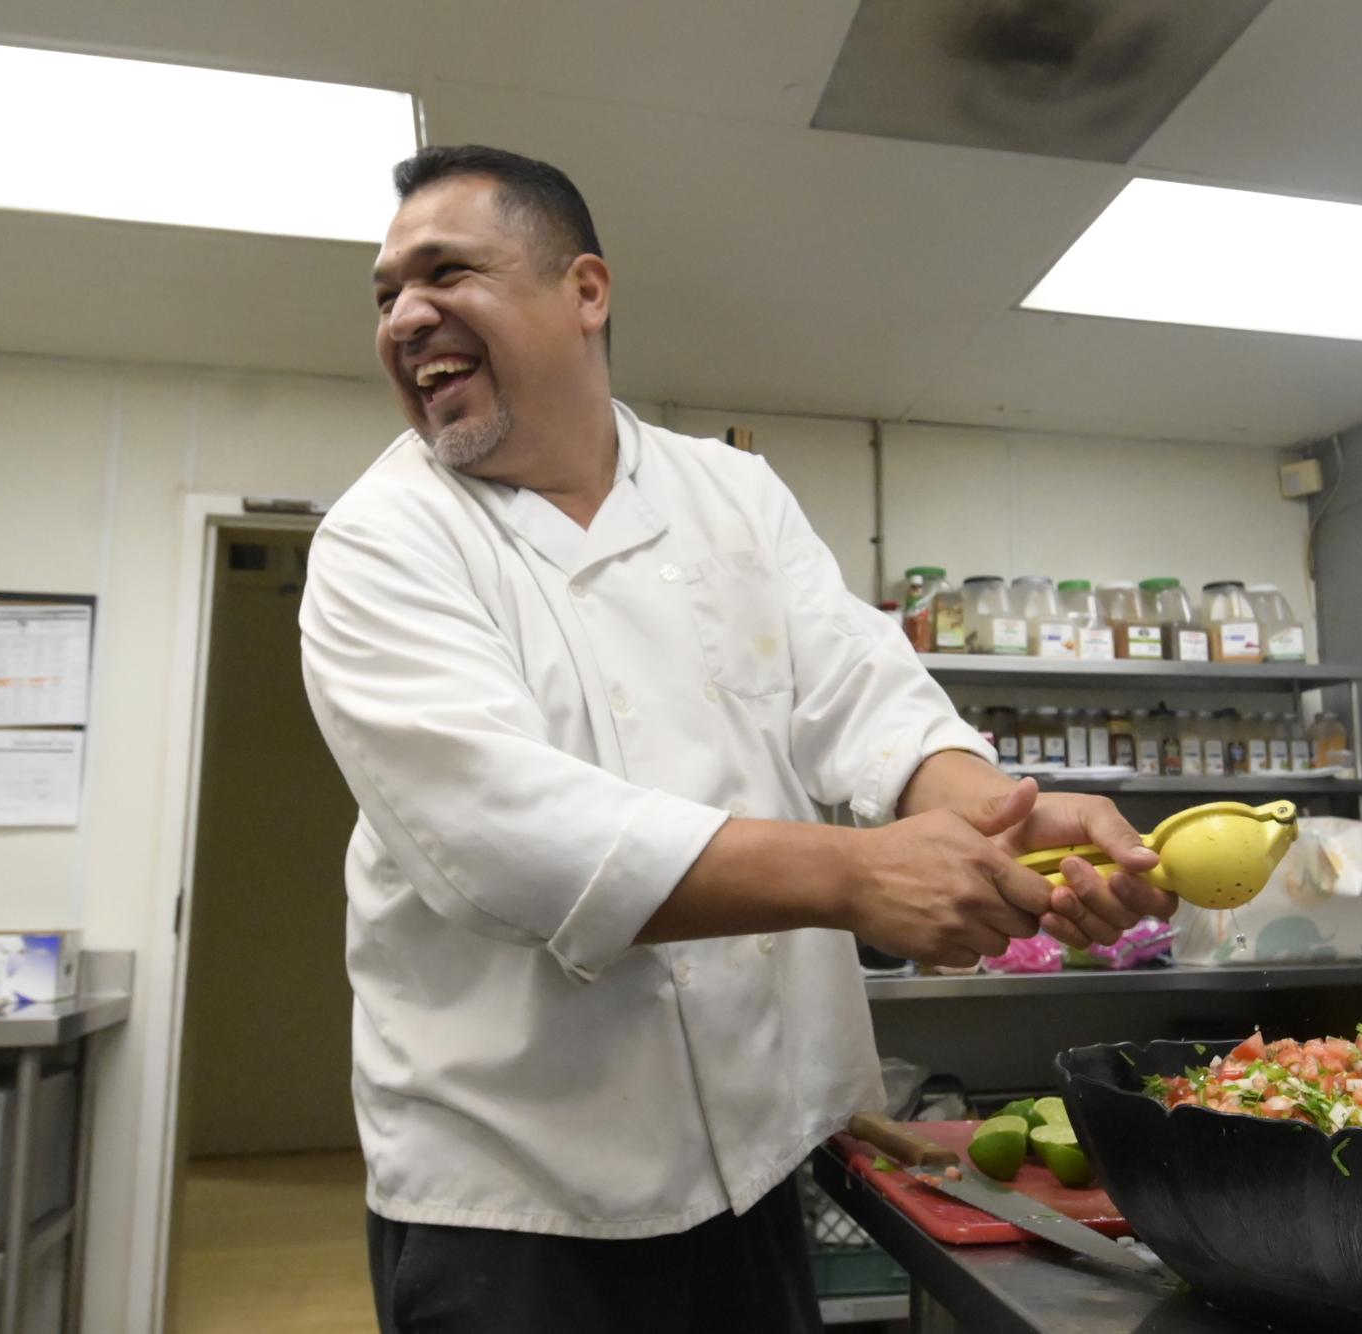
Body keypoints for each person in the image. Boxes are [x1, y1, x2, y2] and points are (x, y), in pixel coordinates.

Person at [299, 144, 1177, 1334]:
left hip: (755, 1166)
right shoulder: (382, 540)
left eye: (445, 271)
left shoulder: (730, 494)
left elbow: (862, 693)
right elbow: (501, 835)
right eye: (386, 291)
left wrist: (994, 812)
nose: (406, 315)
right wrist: (855, 874)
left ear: (586, 290)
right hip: (515, 1201)